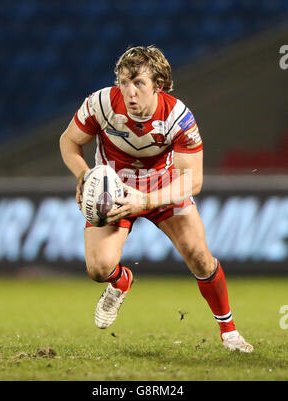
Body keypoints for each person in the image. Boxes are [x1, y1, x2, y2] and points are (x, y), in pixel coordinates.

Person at [60, 45, 253, 353]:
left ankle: (229, 332)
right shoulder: (100, 104)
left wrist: (146, 201)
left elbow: (195, 180)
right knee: (98, 269)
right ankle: (121, 282)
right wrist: (84, 175)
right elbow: (69, 141)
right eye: (124, 82)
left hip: (163, 188)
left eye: (139, 83)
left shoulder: (178, 117)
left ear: (158, 85)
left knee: (200, 258)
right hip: (115, 189)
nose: (130, 92)